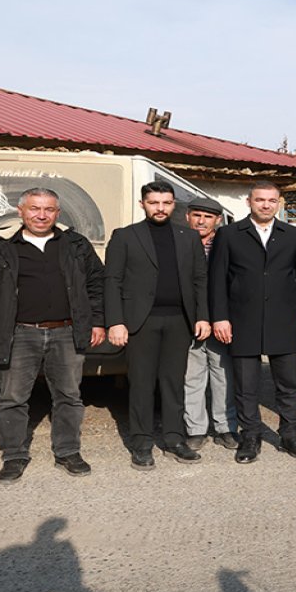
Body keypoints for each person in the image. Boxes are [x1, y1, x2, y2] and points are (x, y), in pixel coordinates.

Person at [0, 188, 106, 484]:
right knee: (13, 398)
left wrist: (97, 322)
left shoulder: (75, 244)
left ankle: (68, 451)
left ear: (58, 213)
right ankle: (13, 455)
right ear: (20, 211)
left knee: (69, 396)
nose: (41, 215)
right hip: (18, 334)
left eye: (49, 209)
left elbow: (96, 284)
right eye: (34, 209)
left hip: (66, 332)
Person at [209, 181, 296, 463]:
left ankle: (289, 435)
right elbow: (217, 280)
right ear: (249, 202)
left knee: (288, 384)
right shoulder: (229, 234)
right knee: (246, 386)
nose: (266, 205)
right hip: (242, 320)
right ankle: (250, 437)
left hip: (284, 319)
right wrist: (220, 317)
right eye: (260, 200)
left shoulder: (293, 235)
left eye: (271, 200)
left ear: (279, 203)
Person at [105, 182, 211, 470]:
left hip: (180, 321)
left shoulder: (188, 237)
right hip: (141, 321)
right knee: (141, 384)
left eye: (166, 202)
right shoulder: (125, 236)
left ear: (174, 204)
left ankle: (174, 439)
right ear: (143, 204)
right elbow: (112, 281)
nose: (160, 208)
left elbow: (200, 280)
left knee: (174, 383)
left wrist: (202, 316)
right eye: (154, 202)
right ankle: (141, 443)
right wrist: (115, 321)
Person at [182, 197, 238, 450]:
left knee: (223, 375)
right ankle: (195, 429)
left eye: (208, 216)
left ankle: (226, 427)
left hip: (222, 320)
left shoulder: (227, 244)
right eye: (196, 215)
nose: (201, 221)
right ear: (187, 217)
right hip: (188, 321)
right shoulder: (179, 241)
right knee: (192, 377)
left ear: (218, 220)